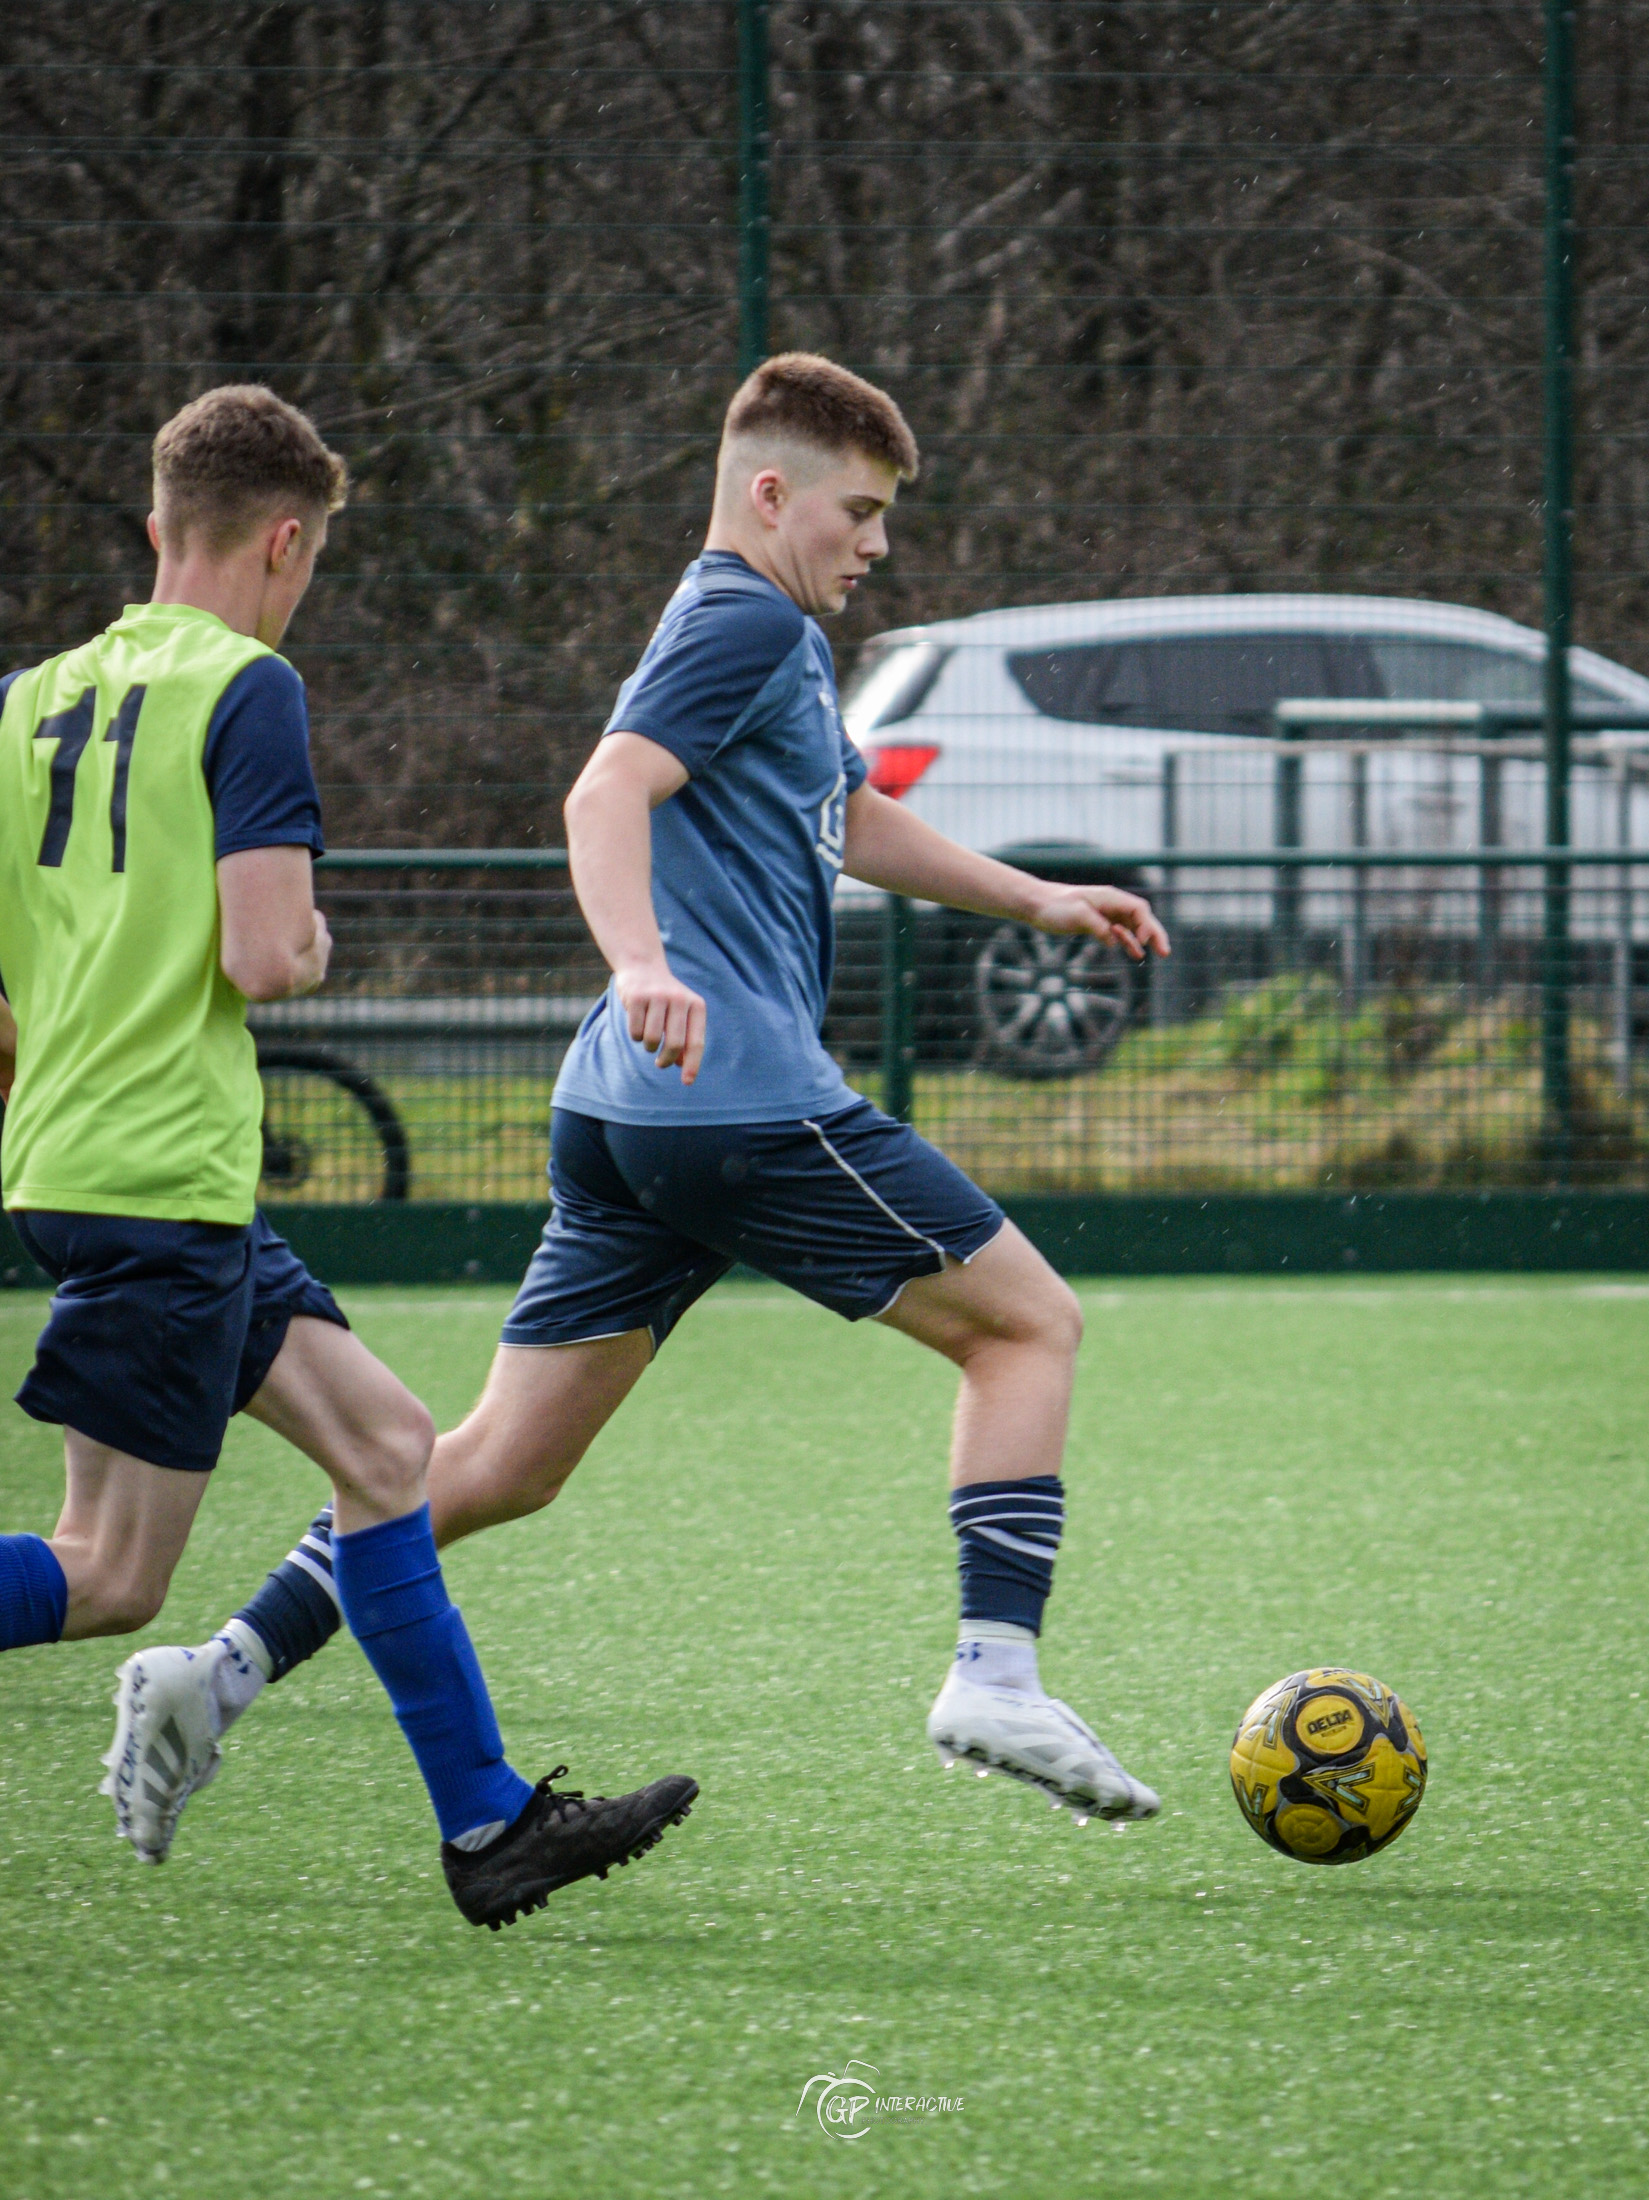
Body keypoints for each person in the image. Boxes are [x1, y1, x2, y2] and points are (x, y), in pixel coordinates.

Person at [134, 353, 1167, 1847]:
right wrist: (638, 962)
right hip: (730, 1098)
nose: (875, 544)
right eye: (859, 512)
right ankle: (994, 1672)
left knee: (496, 1466)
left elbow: (849, 816)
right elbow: (604, 791)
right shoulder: (745, 614)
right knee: (1030, 1326)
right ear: (770, 493)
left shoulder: (776, 639)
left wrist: (1037, 900)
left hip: (626, 1123)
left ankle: (218, 1671)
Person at [0, 385, 695, 1928]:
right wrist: (308, 936)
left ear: (153, 526)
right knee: (109, 1573)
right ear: (287, 540)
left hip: (90, 1165)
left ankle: (489, 1828)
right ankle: (486, 1824)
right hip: (162, 1178)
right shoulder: (249, 688)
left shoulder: (23, 703)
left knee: (387, 1454)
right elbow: (267, 955)